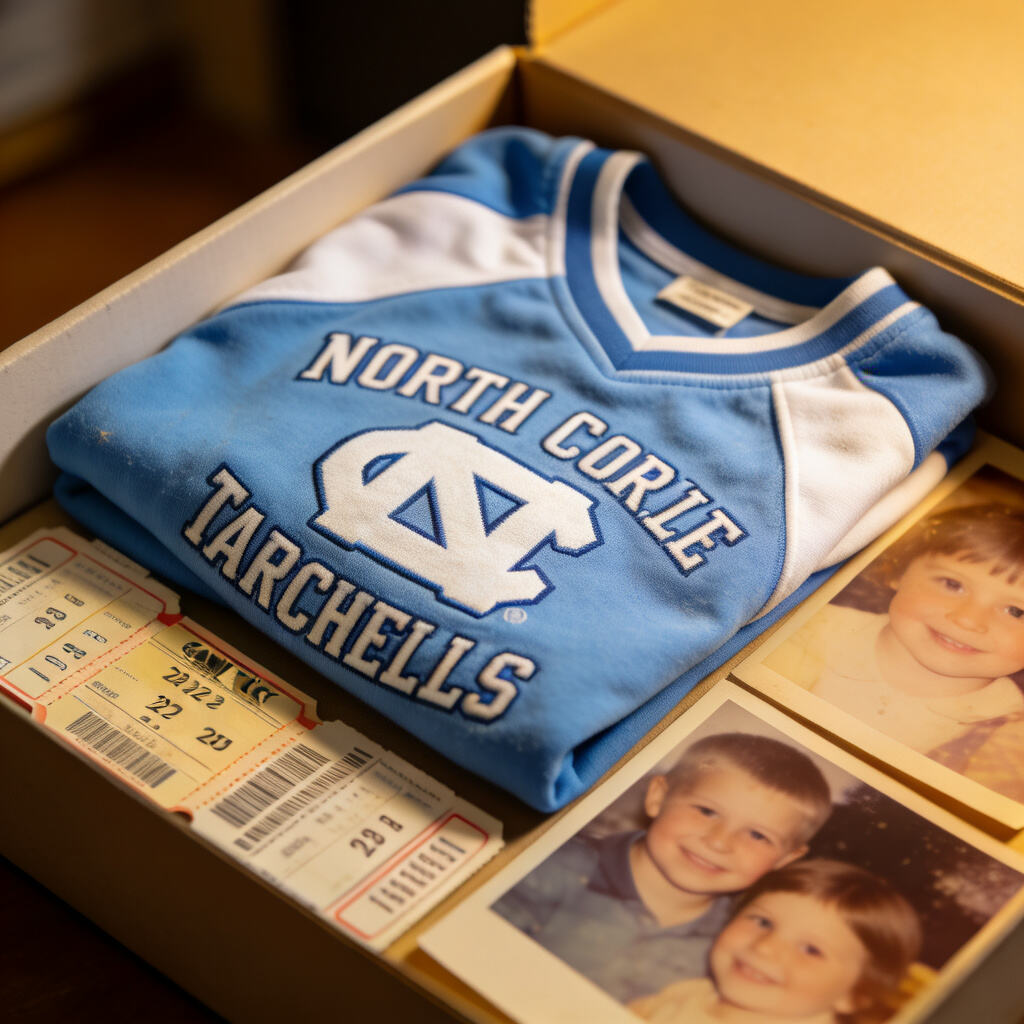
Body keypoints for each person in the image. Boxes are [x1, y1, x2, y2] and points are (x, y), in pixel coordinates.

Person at [492, 732, 832, 1003]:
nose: (719, 842)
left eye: (757, 835)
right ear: (657, 797)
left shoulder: (740, 943)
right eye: (707, 811)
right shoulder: (554, 864)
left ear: (785, 860)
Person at [765, 504, 1024, 800]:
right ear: (900, 571)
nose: (968, 620)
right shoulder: (812, 630)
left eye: (1016, 611)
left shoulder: (1010, 727)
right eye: (953, 584)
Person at [629, 859, 921, 1024]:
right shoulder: (689, 993)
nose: (765, 946)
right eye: (762, 922)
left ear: (855, 995)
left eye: (811, 949)